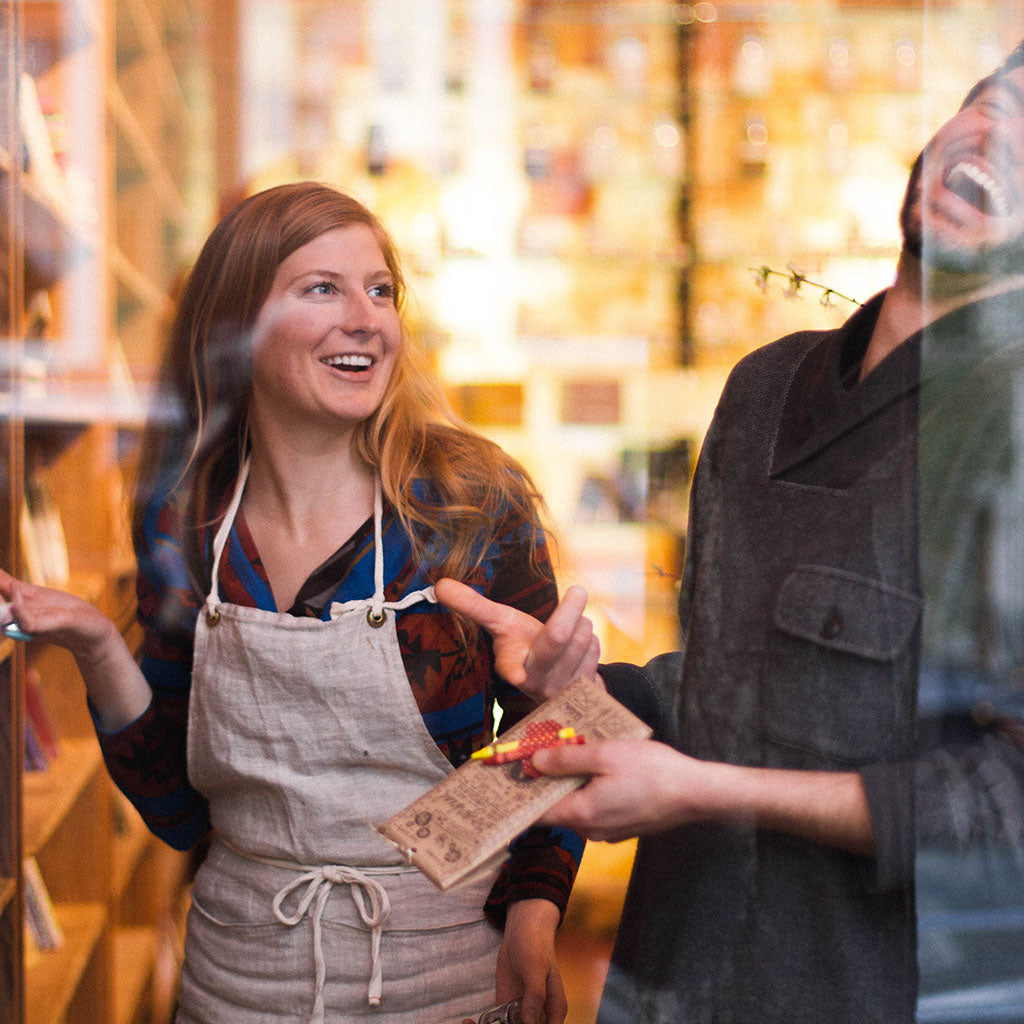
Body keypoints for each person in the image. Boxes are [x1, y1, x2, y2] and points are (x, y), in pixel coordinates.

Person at [437, 39, 1024, 1024]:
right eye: (991, 102)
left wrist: (704, 788)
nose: (998, 137)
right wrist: (570, 691)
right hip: (673, 976)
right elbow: (726, 687)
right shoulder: (765, 386)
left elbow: (1007, 806)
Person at [0, 182, 600, 1024]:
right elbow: (179, 813)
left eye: (380, 289)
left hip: (447, 975)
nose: (366, 317)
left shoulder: (466, 500)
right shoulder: (188, 518)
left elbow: (565, 726)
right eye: (322, 288)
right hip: (237, 983)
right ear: (239, 328)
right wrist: (101, 649)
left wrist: (535, 913)